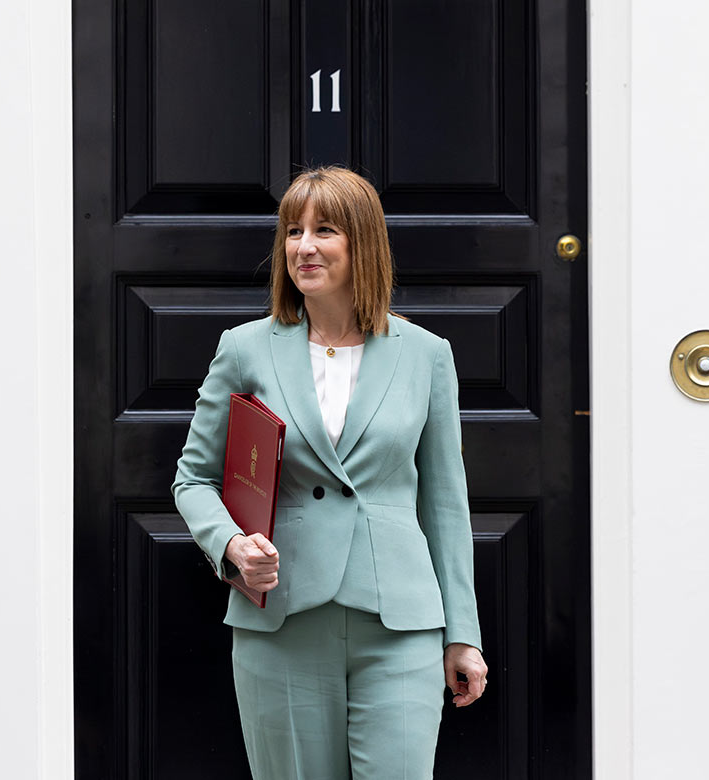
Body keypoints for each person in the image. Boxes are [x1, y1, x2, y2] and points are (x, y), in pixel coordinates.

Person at [171, 165, 488, 779]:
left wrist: (463, 633)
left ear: (362, 243)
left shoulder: (427, 355)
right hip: (282, 618)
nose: (303, 247)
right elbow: (193, 478)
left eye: (325, 230)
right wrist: (231, 544)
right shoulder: (244, 348)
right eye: (293, 231)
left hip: (399, 625)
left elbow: (446, 504)